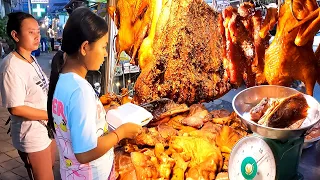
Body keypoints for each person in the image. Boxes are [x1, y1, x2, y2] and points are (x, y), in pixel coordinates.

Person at [47, 7, 142, 180]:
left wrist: (102, 114)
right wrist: (120, 133)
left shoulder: (62, 79)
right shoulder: (80, 90)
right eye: (104, 47)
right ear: (84, 48)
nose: (106, 54)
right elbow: (84, 153)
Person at [0, 12, 56, 180]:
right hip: (31, 135)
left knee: (49, 169)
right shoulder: (11, 66)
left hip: (46, 129)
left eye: (38, 32)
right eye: (31, 32)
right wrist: (50, 115)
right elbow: (15, 108)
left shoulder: (30, 58)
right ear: (15, 35)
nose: (37, 36)